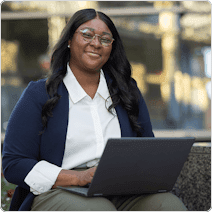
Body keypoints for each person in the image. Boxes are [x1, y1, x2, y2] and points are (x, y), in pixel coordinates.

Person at [2, 8, 187, 211]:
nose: (96, 43)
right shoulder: (39, 94)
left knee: (169, 205)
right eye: (87, 35)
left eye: (105, 39)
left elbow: (147, 149)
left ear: (111, 47)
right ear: (69, 40)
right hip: (60, 188)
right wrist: (78, 177)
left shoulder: (127, 91)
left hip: (122, 188)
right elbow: (14, 164)